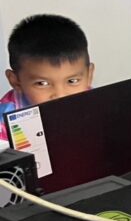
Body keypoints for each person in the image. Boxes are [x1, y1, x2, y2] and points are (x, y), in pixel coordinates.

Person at [1, 14, 94, 144]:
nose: (60, 95)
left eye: (72, 81)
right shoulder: (3, 122)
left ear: (89, 76)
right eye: (42, 83)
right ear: (16, 81)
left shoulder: (96, 104)